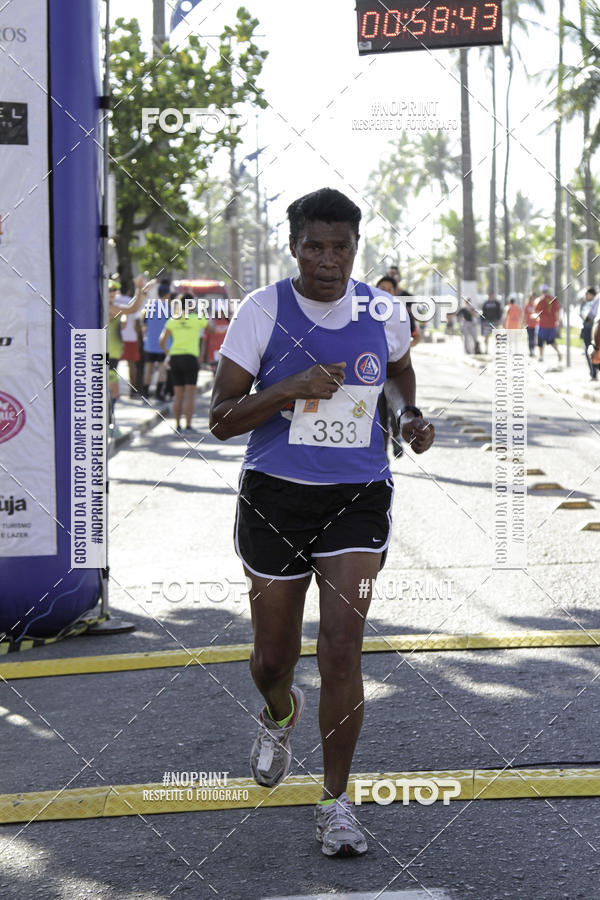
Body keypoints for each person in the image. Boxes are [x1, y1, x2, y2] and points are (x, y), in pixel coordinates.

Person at [210, 188, 435, 857]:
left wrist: (406, 417)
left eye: (341, 247)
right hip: (275, 498)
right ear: (294, 246)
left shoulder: (383, 311)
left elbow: (398, 375)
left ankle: (336, 802)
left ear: (356, 248)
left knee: (341, 648)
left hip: (357, 497)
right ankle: (280, 711)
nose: (328, 260)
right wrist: (289, 388)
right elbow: (220, 419)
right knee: (272, 657)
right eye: (315, 247)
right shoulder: (262, 311)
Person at [108, 274, 155, 436]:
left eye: (114, 290)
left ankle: (109, 422)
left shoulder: (112, 306)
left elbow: (132, 308)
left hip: (113, 355)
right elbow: (133, 309)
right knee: (111, 391)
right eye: (110, 290)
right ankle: (109, 423)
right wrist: (140, 290)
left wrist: (140, 291)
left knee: (113, 391)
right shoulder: (108, 308)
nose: (112, 293)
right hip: (106, 355)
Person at [160, 293, 204, 433]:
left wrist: (168, 353)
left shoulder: (173, 319)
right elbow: (213, 328)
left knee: (177, 395)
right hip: (190, 358)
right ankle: (188, 426)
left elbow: (162, 341)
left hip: (175, 358)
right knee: (190, 395)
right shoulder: (197, 318)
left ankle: (178, 425)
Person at [142, 281, 171, 401]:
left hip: (150, 344)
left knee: (148, 369)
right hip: (164, 345)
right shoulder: (170, 309)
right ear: (167, 294)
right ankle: (159, 394)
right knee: (162, 369)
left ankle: (145, 393)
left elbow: (144, 324)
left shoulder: (149, 306)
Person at [535, 284, 561, 363]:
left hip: (542, 324)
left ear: (541, 291)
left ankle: (541, 356)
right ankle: (558, 352)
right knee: (551, 341)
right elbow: (557, 310)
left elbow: (536, 311)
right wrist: (558, 321)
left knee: (540, 340)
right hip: (552, 324)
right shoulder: (553, 299)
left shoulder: (540, 300)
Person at [580, 286, 599, 380]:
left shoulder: (596, 300)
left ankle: (593, 373)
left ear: (592, 294)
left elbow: (591, 315)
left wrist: (586, 319)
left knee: (591, 351)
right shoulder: (585, 303)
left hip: (591, 329)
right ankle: (593, 372)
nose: (585, 296)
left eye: (587, 294)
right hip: (588, 329)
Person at [523, 292, 538, 357]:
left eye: (534, 297)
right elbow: (524, 315)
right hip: (528, 324)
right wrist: (523, 323)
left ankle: (533, 350)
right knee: (530, 338)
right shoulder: (527, 305)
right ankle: (531, 351)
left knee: (534, 338)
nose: (533, 299)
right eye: (532, 297)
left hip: (535, 324)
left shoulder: (535, 305)